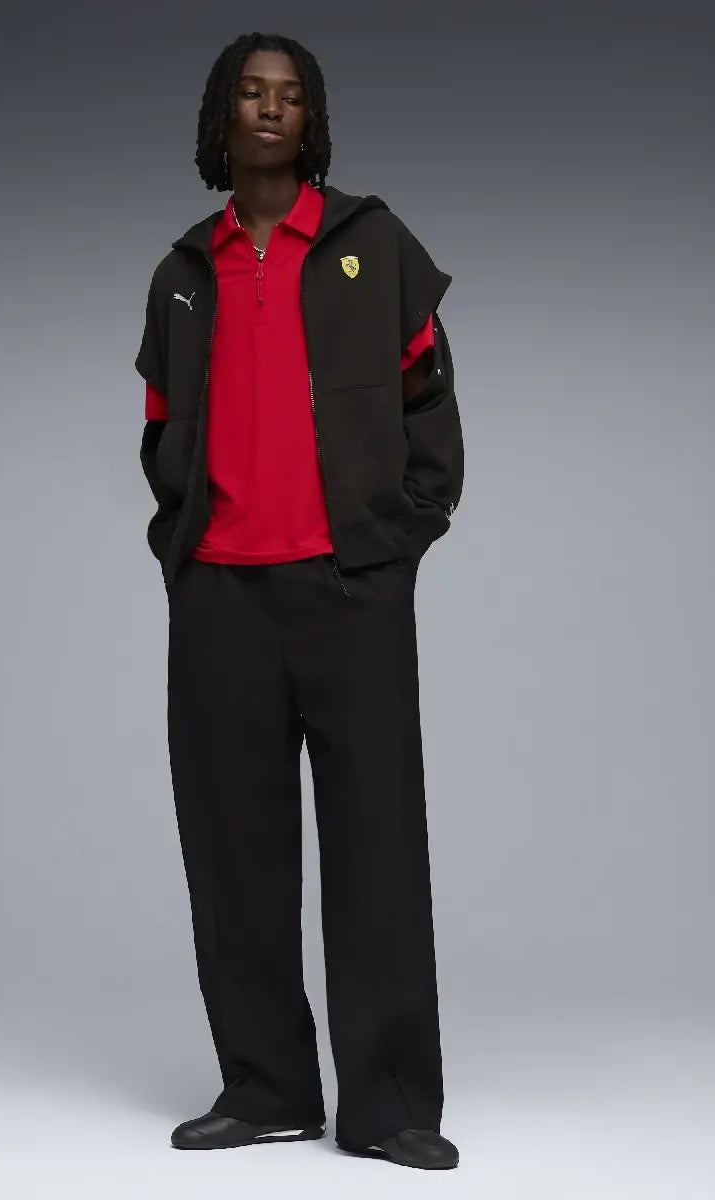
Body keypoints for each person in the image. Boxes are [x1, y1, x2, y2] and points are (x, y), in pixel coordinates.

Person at [134, 31, 463, 1171]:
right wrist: (185, 543)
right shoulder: (185, 270)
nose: (270, 109)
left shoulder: (375, 244)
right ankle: (266, 1086)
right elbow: (158, 426)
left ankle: (390, 1107)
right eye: (250, 93)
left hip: (348, 590)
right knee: (234, 847)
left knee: (378, 846)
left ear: (311, 121)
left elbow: (430, 402)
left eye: (289, 96)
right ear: (221, 119)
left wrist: (396, 543)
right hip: (221, 596)